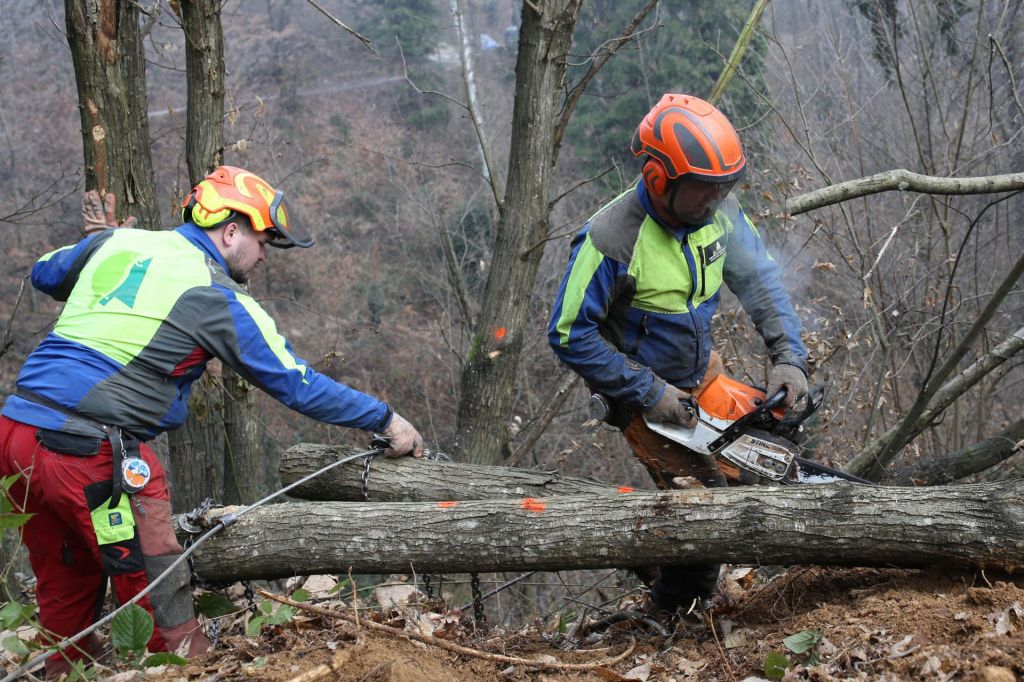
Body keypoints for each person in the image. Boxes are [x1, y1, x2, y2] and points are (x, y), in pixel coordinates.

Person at [0, 166, 424, 677]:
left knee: (63, 591)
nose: (265, 254)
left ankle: (63, 673)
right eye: (263, 240)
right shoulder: (216, 294)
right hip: (93, 454)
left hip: (15, 436)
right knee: (160, 593)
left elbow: (46, 272)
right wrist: (386, 418)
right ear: (229, 231)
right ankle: (184, 669)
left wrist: (97, 246)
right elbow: (297, 382)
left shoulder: (119, 242)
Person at [548, 94, 809, 616]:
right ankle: (672, 613)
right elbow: (568, 332)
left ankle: (753, 578)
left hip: (703, 373)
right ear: (658, 177)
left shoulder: (720, 216)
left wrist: (789, 356)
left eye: (722, 189)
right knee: (702, 503)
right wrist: (647, 391)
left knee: (774, 445)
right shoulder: (610, 239)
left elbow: (760, 280)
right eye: (702, 190)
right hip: (648, 395)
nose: (713, 201)